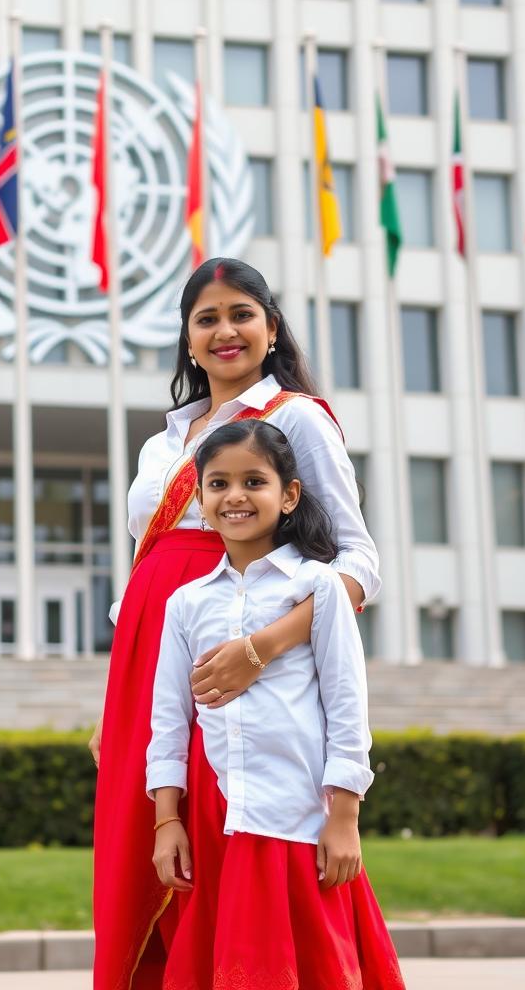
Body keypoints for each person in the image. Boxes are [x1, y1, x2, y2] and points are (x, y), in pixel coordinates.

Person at [92, 257, 381, 990]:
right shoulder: (166, 442)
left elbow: (360, 563)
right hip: (154, 660)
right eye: (207, 318)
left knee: (235, 840)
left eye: (241, 313)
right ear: (188, 338)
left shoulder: (294, 419)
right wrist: (112, 694)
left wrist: (262, 649)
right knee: (149, 853)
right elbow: (143, 565)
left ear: (270, 327)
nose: (225, 331)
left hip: (242, 658)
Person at [147, 419, 404, 989]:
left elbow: (346, 706)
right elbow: (169, 718)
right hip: (217, 818)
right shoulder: (185, 603)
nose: (235, 496)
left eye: (253, 481)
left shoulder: (319, 588)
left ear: (288, 494)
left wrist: (344, 817)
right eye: (218, 484)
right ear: (199, 497)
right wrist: (169, 821)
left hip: (298, 814)